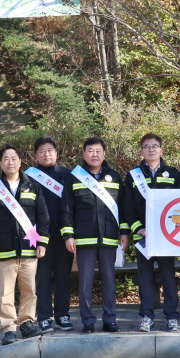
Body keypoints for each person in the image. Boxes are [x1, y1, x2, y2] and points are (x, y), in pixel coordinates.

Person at [0, 146, 49, 345]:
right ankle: (9, 328)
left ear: (20, 161)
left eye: (14, 158)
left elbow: (43, 217)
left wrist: (42, 242)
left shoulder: (33, 187)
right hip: (3, 250)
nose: (10, 162)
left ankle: (26, 324)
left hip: (29, 249)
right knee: (6, 293)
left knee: (29, 290)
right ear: (0, 163)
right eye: (6, 159)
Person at [61, 137, 129, 334]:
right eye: (90, 151)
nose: (94, 154)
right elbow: (67, 209)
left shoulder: (115, 177)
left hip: (109, 238)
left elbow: (123, 207)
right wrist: (68, 235)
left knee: (109, 281)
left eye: (98, 151)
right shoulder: (74, 178)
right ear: (84, 154)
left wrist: (124, 232)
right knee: (85, 283)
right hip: (84, 238)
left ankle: (110, 319)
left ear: (104, 154)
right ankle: (88, 321)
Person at [124, 133, 180, 333]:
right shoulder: (133, 176)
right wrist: (136, 228)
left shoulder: (173, 174)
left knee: (168, 276)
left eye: (155, 146)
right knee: (145, 277)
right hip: (143, 237)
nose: (151, 149)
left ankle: (172, 317)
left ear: (161, 150)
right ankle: (147, 316)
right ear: (141, 151)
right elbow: (128, 206)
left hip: (166, 237)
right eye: (147, 146)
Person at [29, 136, 74, 333]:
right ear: (36, 155)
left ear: (56, 153)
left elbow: (72, 206)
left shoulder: (68, 175)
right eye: (42, 151)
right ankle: (44, 317)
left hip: (64, 236)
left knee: (64, 276)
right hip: (39, 239)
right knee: (43, 278)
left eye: (50, 150)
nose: (46, 154)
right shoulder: (29, 177)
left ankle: (63, 315)